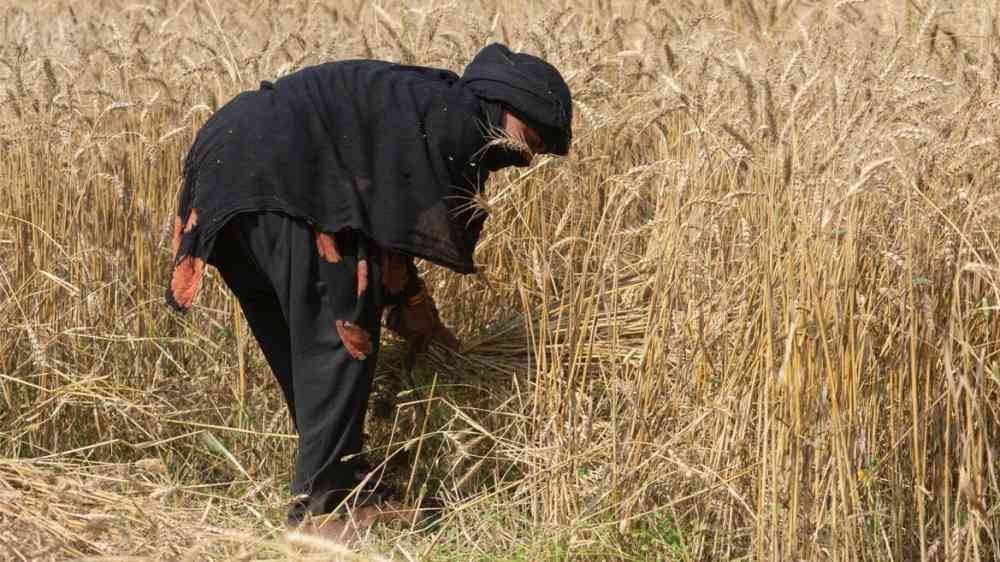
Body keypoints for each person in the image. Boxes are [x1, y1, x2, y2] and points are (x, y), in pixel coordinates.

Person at [164, 43, 572, 535]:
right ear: (510, 105)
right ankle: (324, 511)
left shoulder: (423, 99)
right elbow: (390, 229)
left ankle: (343, 482)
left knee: (306, 345)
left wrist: (411, 302)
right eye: (537, 138)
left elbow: (379, 219)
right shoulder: (460, 119)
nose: (531, 157)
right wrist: (412, 305)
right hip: (287, 180)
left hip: (228, 175)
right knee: (339, 338)